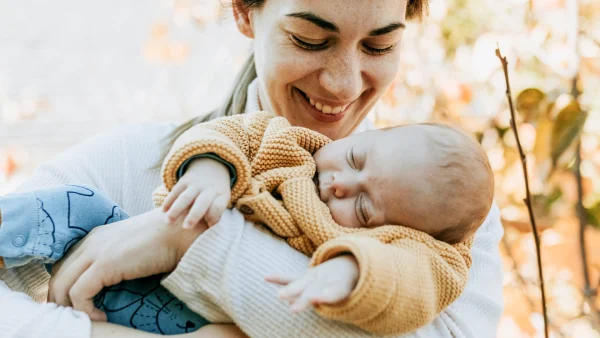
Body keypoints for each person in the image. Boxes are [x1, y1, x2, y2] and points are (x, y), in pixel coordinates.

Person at [0, 0, 504, 337]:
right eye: (310, 38)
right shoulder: (130, 160)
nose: (344, 84)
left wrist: (191, 242)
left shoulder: (441, 207)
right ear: (244, 13)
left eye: (379, 46)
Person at [0, 111, 493, 335]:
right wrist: (212, 172)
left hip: (182, 318)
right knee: (74, 205)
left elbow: (408, 282)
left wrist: (348, 272)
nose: (343, 184)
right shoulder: (292, 144)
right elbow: (229, 134)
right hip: (125, 270)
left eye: (364, 208)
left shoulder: (424, 250)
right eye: (359, 158)